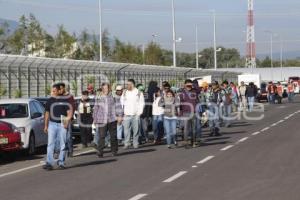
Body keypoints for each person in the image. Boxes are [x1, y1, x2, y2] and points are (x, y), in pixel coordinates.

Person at [43, 84, 73, 170]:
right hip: (52, 124)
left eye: (54, 91)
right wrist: (46, 125)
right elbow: (47, 113)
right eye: (51, 91)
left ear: (59, 91)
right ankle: (49, 163)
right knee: (50, 144)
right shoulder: (49, 101)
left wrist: (67, 121)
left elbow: (69, 113)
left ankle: (61, 162)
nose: (52, 92)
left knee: (63, 144)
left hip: (62, 124)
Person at [93, 83, 123, 157]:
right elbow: (96, 108)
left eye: (106, 88)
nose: (105, 90)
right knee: (102, 136)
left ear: (109, 88)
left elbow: (118, 106)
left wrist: (120, 116)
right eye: (104, 88)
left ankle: (114, 150)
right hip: (101, 120)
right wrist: (94, 118)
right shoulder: (98, 96)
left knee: (113, 136)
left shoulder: (113, 96)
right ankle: (100, 151)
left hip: (112, 119)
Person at [121, 79, 145, 149]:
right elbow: (122, 101)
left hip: (135, 115)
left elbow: (142, 103)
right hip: (127, 114)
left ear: (132, 84)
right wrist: (124, 111)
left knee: (136, 130)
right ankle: (127, 143)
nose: (126, 85)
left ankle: (135, 143)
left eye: (128, 84)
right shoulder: (125, 92)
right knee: (126, 130)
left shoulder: (139, 92)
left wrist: (139, 113)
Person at [179, 79, 199, 148]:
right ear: (184, 85)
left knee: (193, 129)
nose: (188, 86)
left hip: (193, 112)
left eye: (189, 84)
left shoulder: (194, 91)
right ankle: (186, 142)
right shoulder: (182, 93)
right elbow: (180, 104)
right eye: (187, 84)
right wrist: (181, 113)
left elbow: (198, 89)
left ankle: (193, 141)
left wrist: (193, 84)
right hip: (185, 113)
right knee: (186, 129)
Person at [58, 82, 75, 157]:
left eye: (61, 88)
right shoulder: (58, 97)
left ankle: (70, 151)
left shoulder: (69, 96)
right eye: (59, 89)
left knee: (68, 135)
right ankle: (59, 151)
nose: (60, 90)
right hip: (59, 118)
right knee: (59, 136)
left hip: (66, 117)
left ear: (64, 88)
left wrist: (69, 117)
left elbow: (72, 107)